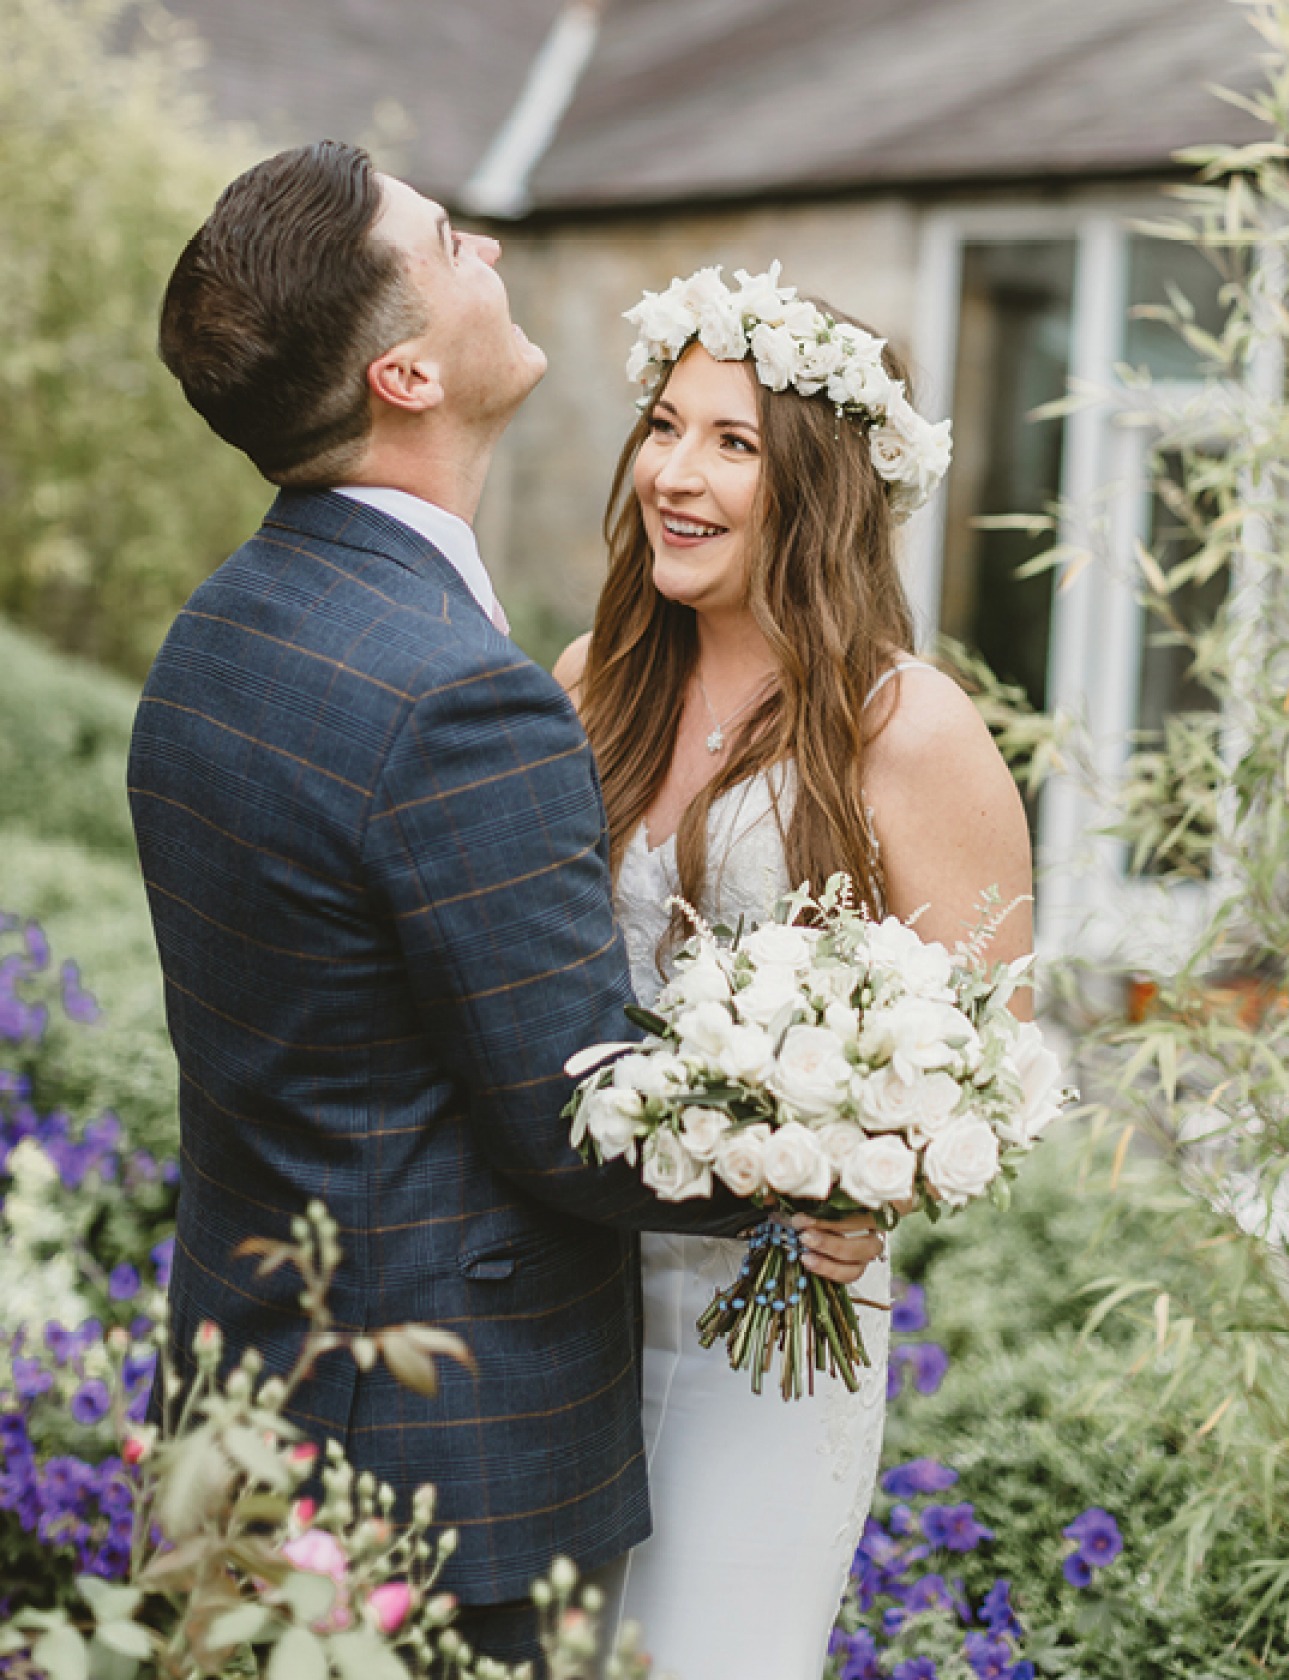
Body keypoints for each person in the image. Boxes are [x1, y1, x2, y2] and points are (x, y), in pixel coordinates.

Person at [128, 146, 882, 1670]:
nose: (485, 244)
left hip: (244, 1411)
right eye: (446, 242)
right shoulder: (462, 697)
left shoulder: (214, 640)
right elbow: (572, 1118)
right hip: (437, 1473)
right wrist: (823, 1161)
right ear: (406, 371)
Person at [555, 265, 1034, 1680]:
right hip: (554, 1289)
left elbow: (996, 1057)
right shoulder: (588, 682)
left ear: (815, 488)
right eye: (663, 426)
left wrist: (869, 1190)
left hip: (768, 1326)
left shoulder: (912, 730)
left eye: (732, 442)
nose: (674, 474)